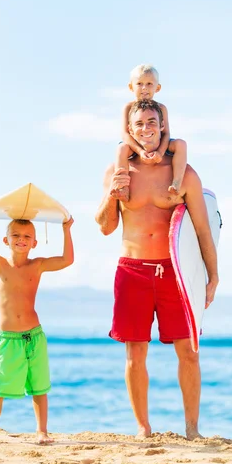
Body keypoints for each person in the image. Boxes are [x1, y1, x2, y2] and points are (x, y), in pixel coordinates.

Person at [95, 99, 218, 440]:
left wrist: (213, 275)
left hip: (174, 273)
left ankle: (192, 429)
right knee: (135, 352)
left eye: (152, 122)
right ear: (130, 130)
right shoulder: (117, 171)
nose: (146, 129)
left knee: (189, 351)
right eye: (140, 124)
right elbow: (105, 226)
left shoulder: (183, 174)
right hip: (132, 269)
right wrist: (112, 196)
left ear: (163, 126)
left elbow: (204, 230)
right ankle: (142, 428)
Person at [0, 213, 74, 444]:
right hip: (8, 339)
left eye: (27, 236)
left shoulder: (38, 265)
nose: (21, 239)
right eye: (15, 235)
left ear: (35, 242)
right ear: (6, 240)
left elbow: (67, 260)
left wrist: (66, 229)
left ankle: (42, 431)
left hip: (34, 336)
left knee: (39, 386)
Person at [110, 63, 187, 202]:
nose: (144, 88)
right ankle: (123, 187)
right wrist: (139, 151)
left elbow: (166, 134)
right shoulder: (128, 107)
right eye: (139, 83)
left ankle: (176, 182)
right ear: (131, 87)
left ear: (157, 88)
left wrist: (160, 152)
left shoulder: (161, 108)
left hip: (158, 143)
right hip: (135, 144)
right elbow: (125, 134)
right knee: (121, 148)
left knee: (181, 144)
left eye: (149, 84)